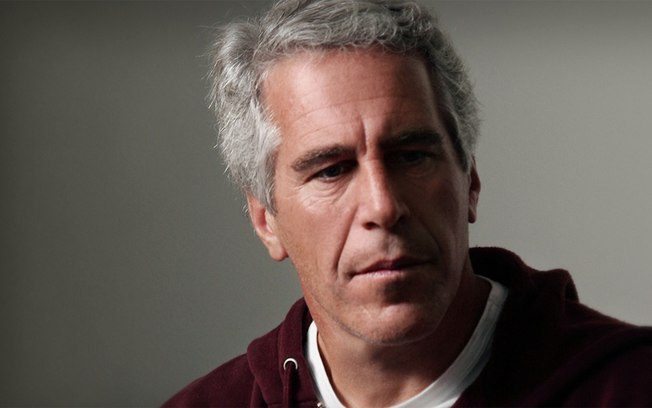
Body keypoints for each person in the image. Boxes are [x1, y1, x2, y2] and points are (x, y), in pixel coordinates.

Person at [164, 0, 652, 406]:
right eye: (332, 170)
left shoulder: (631, 385)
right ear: (266, 221)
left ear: (470, 181)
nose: (383, 207)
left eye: (412, 156)